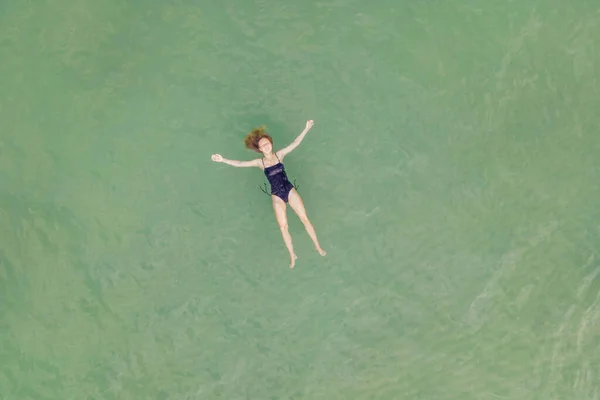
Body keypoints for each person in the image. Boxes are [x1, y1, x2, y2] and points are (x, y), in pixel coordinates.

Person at [211, 120, 326, 268]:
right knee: (283, 227)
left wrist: (306, 129)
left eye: (268, 143)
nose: (266, 146)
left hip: (289, 190)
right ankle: (292, 255)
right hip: (276, 195)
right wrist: (223, 160)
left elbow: (294, 143)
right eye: (263, 145)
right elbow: (240, 164)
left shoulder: (279, 155)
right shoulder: (260, 162)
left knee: (304, 218)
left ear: (271, 144)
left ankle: (317, 246)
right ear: (259, 149)